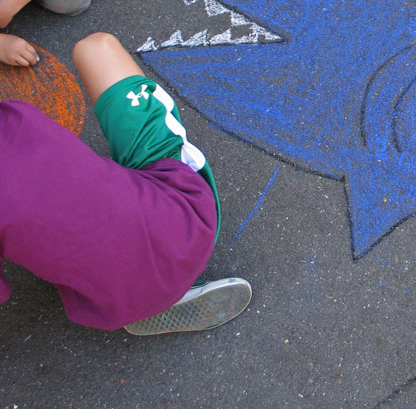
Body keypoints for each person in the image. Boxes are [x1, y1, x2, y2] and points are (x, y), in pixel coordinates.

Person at [0, 32, 251, 334]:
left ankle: (144, 301)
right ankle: (156, 292)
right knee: (97, 48)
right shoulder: (12, 117)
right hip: (189, 231)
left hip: (111, 303)